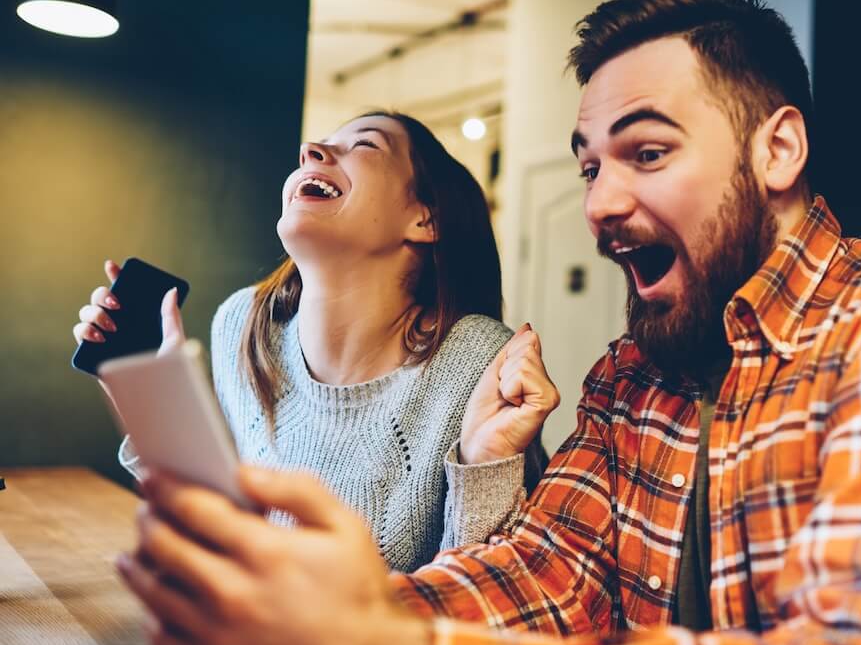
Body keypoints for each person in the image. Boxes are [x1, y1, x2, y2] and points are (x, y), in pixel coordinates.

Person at [117, 0, 861, 645]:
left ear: (777, 151)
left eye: (647, 153)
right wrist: (337, 614)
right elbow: (543, 567)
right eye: (589, 167)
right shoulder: (631, 377)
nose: (601, 204)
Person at [75, 111, 546, 572]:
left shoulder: (480, 362)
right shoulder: (243, 324)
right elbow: (219, 540)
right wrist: (156, 411)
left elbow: (483, 596)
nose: (310, 151)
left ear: (425, 219)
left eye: (364, 144)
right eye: (317, 147)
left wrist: (487, 470)